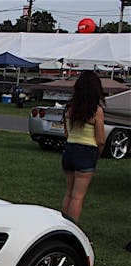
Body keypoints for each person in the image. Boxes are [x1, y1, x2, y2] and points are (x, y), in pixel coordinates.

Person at [61, 70, 105, 223]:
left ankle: (62, 225)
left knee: (68, 193)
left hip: (69, 150)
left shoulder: (69, 108)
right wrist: (97, 155)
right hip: (86, 152)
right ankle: (73, 231)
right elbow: (100, 140)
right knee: (78, 197)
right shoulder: (96, 111)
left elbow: (66, 133)